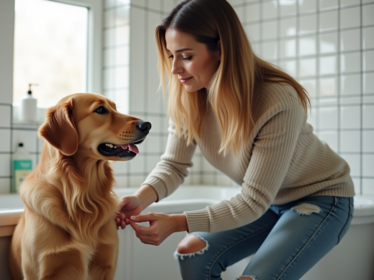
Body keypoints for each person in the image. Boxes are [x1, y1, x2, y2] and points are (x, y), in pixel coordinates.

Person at [115, 0, 355, 279]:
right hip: (269, 202)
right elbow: (174, 165)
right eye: (171, 56)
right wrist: (141, 198)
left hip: (322, 199)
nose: (175, 69)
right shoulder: (190, 98)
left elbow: (252, 200)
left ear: (221, 49)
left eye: (186, 56)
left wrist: (178, 222)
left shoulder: (276, 99)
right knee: (190, 251)